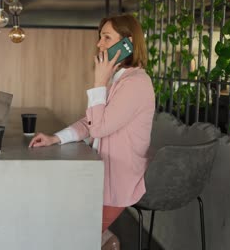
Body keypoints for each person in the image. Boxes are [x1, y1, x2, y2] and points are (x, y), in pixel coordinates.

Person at [29, 14, 155, 232]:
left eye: (106, 37)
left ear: (128, 44)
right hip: (100, 172)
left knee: (79, 236)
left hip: (119, 180)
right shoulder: (119, 79)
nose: (99, 44)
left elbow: (99, 127)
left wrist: (99, 82)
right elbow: (91, 122)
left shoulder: (136, 83)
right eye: (100, 37)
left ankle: (105, 241)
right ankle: (108, 242)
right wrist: (56, 138)